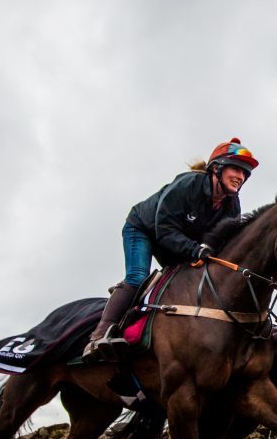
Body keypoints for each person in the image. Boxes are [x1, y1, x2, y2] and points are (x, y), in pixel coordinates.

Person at [84, 138, 259, 359]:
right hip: (144, 229)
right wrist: (195, 249)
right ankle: (99, 336)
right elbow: (164, 229)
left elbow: (220, 242)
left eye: (245, 173)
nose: (240, 177)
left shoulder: (232, 205)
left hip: (178, 240)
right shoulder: (188, 184)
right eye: (236, 169)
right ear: (216, 168)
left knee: (187, 283)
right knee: (138, 277)